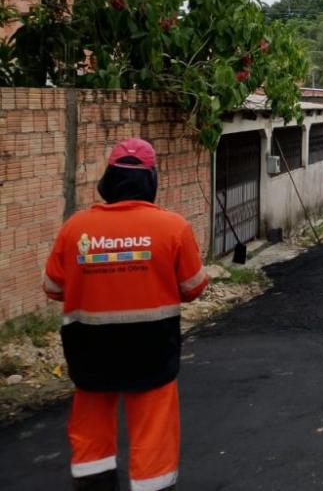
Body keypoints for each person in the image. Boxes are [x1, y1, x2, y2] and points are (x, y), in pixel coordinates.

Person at [43, 138, 209, 491]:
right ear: (151, 179)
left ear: (109, 178)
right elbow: (194, 287)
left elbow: (54, 288)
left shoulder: (74, 229)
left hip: (89, 349)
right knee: (153, 428)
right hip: (150, 349)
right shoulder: (173, 228)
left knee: (90, 426)